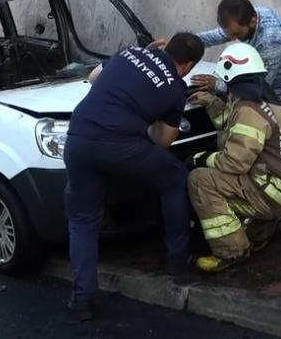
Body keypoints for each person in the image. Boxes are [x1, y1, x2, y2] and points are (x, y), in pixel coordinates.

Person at [63, 33, 205, 321]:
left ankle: (82, 300)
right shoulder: (175, 89)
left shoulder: (128, 53)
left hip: (78, 138)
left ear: (165, 45)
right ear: (188, 65)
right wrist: (148, 118)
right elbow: (163, 140)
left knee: (82, 220)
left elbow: (93, 78)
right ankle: (178, 259)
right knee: (173, 177)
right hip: (119, 147)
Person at [159, 0, 281, 237]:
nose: (233, 39)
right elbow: (217, 35)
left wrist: (217, 85)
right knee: (267, 154)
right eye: (231, 34)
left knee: (280, 156)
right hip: (279, 95)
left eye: (238, 35)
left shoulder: (270, 39)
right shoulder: (244, 17)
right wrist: (180, 47)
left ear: (253, 21)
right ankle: (265, 214)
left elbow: (257, 86)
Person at [186, 42, 281, 273]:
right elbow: (233, 130)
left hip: (269, 191)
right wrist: (211, 103)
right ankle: (259, 233)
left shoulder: (249, 110)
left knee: (200, 180)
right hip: (280, 187)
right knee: (235, 184)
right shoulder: (262, 100)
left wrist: (200, 158)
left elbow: (234, 162)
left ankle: (232, 251)